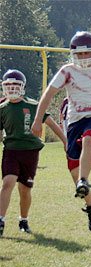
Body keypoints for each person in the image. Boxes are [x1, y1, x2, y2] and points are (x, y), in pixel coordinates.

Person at [31, 31, 91, 232]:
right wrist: (38, 120)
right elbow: (48, 94)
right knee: (73, 171)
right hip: (74, 122)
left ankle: (84, 179)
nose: (82, 58)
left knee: (89, 140)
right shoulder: (67, 71)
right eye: (79, 54)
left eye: (87, 53)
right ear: (73, 54)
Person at [0, 69, 66, 237]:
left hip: (30, 152)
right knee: (8, 183)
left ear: (22, 87)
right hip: (11, 150)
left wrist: (66, 142)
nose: (12, 89)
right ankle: (0, 220)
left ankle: (23, 219)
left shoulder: (33, 105)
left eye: (15, 85)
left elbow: (51, 123)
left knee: (24, 189)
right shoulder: (2, 108)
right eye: (8, 85)